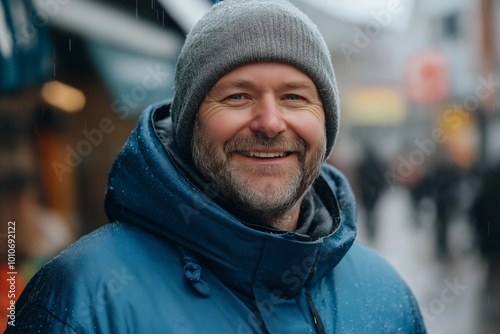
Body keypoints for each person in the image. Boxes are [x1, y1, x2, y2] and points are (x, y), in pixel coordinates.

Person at [6, 0, 426, 332]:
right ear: (190, 123)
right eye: (238, 96)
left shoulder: (385, 296)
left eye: (294, 97)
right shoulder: (81, 300)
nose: (270, 122)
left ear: (326, 122)